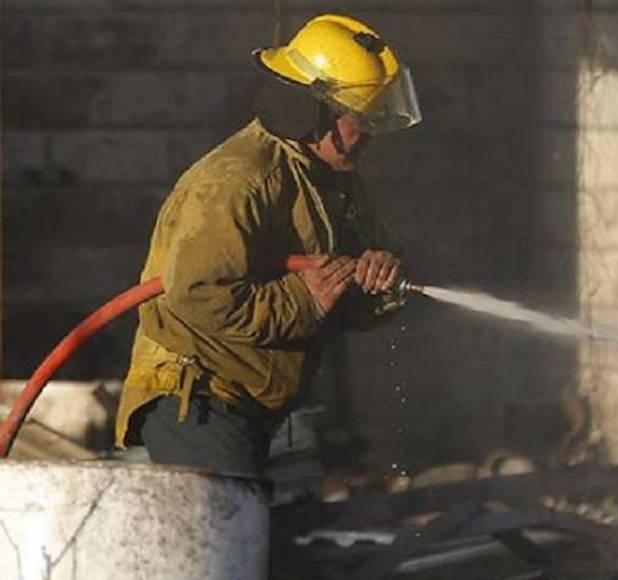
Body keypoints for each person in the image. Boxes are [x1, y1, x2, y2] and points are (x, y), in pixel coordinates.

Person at [113, 13, 422, 476]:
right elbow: (196, 295)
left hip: (258, 402)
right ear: (312, 112)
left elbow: (350, 298)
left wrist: (380, 277)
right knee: (231, 517)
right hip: (197, 397)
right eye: (361, 118)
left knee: (271, 517)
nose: (370, 134)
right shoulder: (236, 181)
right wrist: (303, 299)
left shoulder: (337, 180)